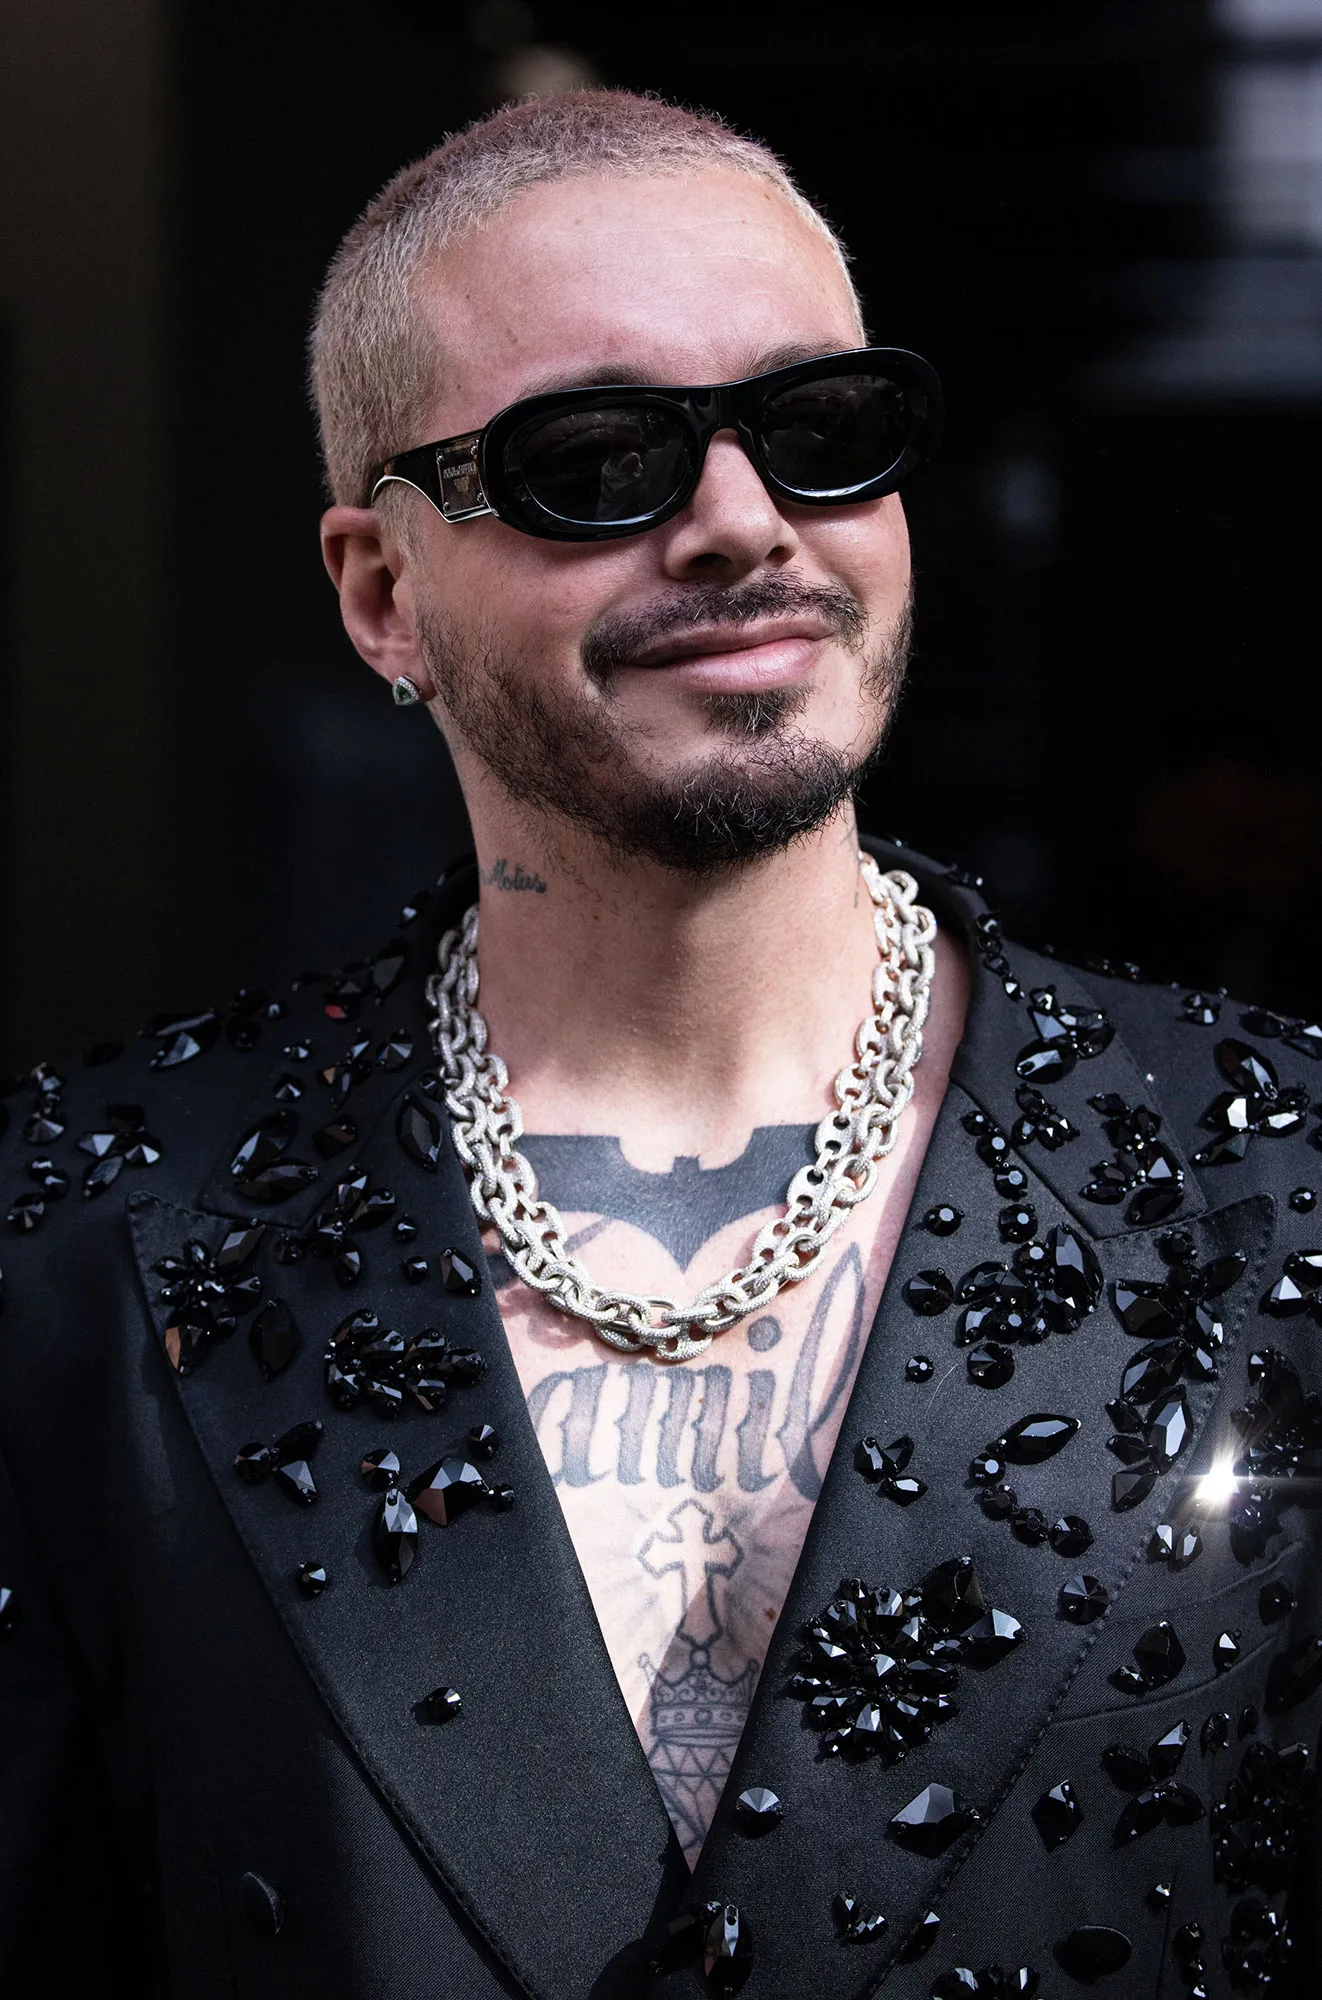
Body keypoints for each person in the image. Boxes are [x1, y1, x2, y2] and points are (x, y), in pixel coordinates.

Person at [1, 88, 1318, 2000]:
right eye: (594, 460)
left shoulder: (1274, 1182)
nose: (738, 523)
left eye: (821, 431)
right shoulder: (84, 1231)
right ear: (382, 593)